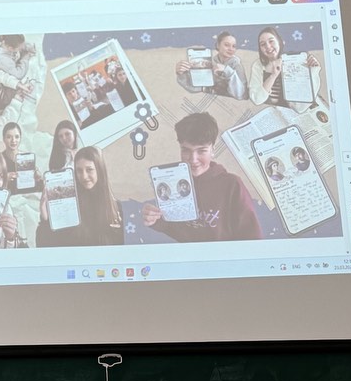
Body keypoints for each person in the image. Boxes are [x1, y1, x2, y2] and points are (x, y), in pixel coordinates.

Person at [141, 111, 260, 241]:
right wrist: (155, 219)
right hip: (189, 254)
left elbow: (253, 237)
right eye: (186, 150)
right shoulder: (174, 182)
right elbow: (179, 231)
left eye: (201, 151)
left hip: (226, 254)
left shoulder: (232, 185)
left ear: (212, 150)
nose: (193, 159)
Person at [35, 145, 123, 247]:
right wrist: (45, 219)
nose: (84, 176)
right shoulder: (70, 207)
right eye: (79, 171)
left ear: (100, 170)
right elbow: (46, 246)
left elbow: (125, 247)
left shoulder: (117, 209)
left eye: (89, 170)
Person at [249, 25, 322, 106]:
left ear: (279, 41)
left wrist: (313, 71)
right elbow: (257, 100)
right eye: (263, 44)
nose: (268, 46)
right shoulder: (258, 65)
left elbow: (300, 106)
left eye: (271, 41)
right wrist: (273, 76)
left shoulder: (294, 61)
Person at [177, 31, 248, 99]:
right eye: (226, 45)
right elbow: (196, 88)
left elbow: (239, 95)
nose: (231, 49)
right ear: (218, 45)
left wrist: (227, 70)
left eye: (234, 46)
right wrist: (182, 73)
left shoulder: (237, 65)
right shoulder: (210, 63)